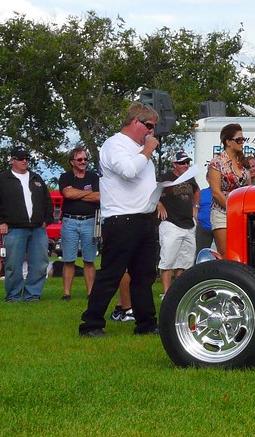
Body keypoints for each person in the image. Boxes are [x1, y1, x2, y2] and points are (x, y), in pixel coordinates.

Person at [79, 103, 161, 337]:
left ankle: (146, 323)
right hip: (121, 219)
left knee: (144, 275)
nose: (151, 132)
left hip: (143, 217)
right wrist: (147, 150)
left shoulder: (138, 147)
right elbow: (128, 170)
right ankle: (91, 324)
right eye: (149, 126)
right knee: (111, 274)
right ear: (135, 121)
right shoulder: (115, 145)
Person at [0, 145, 53, 302]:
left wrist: (46, 220)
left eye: (27, 158)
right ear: (12, 160)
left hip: (38, 229)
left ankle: (33, 295)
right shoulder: (1, 180)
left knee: (40, 263)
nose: (24, 161)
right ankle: (13, 296)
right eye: (21, 158)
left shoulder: (36, 178)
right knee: (13, 265)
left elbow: (47, 201)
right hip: (14, 229)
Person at [58, 145, 100, 301]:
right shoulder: (65, 177)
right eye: (80, 159)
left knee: (89, 259)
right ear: (72, 162)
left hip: (90, 221)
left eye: (85, 159)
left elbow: (99, 196)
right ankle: (66, 293)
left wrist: (77, 193)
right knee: (69, 259)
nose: (83, 162)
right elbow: (67, 194)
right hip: (70, 221)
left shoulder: (94, 177)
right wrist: (88, 194)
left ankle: (91, 293)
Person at [156, 151, 199, 297]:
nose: (186, 165)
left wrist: (196, 206)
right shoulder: (165, 178)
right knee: (168, 260)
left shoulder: (190, 177)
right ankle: (167, 294)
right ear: (175, 164)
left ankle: (178, 293)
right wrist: (159, 204)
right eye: (182, 163)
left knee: (185, 262)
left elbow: (196, 190)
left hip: (188, 224)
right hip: (171, 224)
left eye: (187, 162)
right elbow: (151, 192)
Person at [208, 123, 250, 257]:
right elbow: (216, 192)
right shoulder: (217, 163)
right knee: (226, 253)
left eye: (243, 139)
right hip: (222, 212)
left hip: (242, 213)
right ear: (228, 142)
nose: (242, 143)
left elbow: (248, 188)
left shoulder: (243, 163)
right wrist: (232, 209)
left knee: (243, 252)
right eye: (239, 140)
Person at [196, 187, 213, 253]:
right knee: (201, 253)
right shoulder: (201, 193)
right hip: (203, 227)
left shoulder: (226, 193)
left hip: (220, 228)